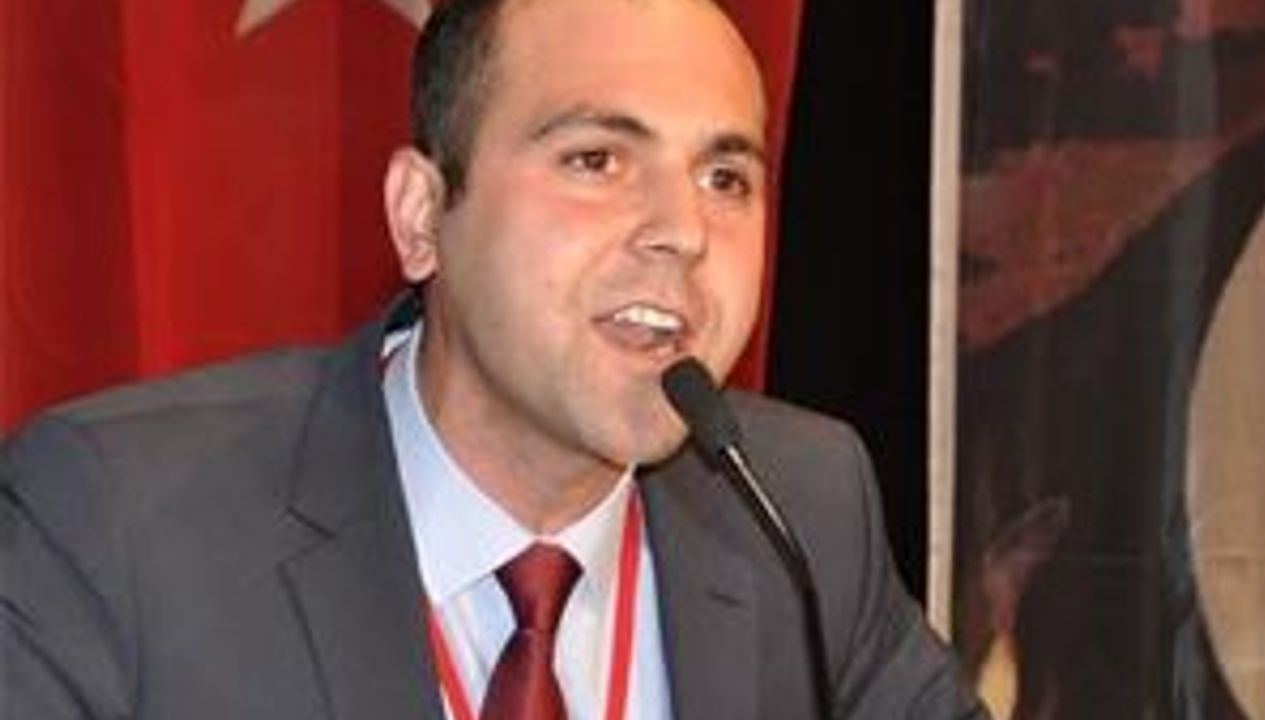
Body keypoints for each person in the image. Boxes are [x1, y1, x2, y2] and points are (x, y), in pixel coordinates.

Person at [1, 0, 987, 717]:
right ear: (421, 216)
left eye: (725, 176)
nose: (683, 231)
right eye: (597, 160)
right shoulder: (120, 524)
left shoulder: (799, 506)